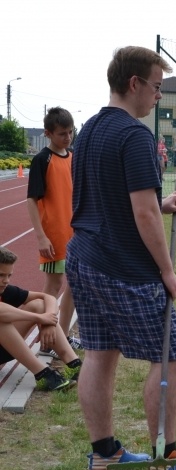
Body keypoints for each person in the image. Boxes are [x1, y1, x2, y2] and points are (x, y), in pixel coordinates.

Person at [68, 45, 176, 470]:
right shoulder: (134, 136)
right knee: (170, 357)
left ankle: (105, 453)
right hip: (122, 266)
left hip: (85, 256)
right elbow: (142, 213)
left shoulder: (89, 130)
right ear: (134, 83)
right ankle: (164, 458)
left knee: (99, 353)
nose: (157, 96)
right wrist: (167, 272)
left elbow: (115, 196)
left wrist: (161, 203)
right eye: (155, 87)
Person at [25, 106, 82, 351]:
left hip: (75, 233)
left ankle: (62, 336)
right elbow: (31, 200)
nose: (67, 137)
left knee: (75, 285)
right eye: (62, 133)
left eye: (70, 132)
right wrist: (41, 236)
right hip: (53, 235)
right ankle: (47, 340)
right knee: (53, 287)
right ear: (48, 133)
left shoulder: (72, 156)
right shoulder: (42, 160)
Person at [0, 246, 82, 391]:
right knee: (2, 322)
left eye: (9, 275)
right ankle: (43, 375)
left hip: (4, 350)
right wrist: (41, 318)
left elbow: (48, 297)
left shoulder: (6, 289)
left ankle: (74, 365)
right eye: (1, 275)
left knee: (38, 304)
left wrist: (49, 322)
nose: (6, 281)